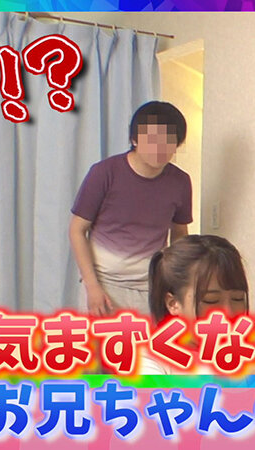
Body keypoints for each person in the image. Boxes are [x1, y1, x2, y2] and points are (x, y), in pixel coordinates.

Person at [69, 101, 192, 317]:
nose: (159, 148)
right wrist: (92, 286)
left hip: (153, 285)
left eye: (168, 141)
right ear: (134, 139)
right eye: (152, 140)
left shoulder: (180, 182)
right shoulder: (104, 173)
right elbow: (77, 230)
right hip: (104, 284)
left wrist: (178, 282)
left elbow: (180, 234)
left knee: (151, 341)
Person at [140, 234, 250, 375]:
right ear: (173, 303)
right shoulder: (150, 360)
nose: (228, 312)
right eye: (211, 300)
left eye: (237, 298)